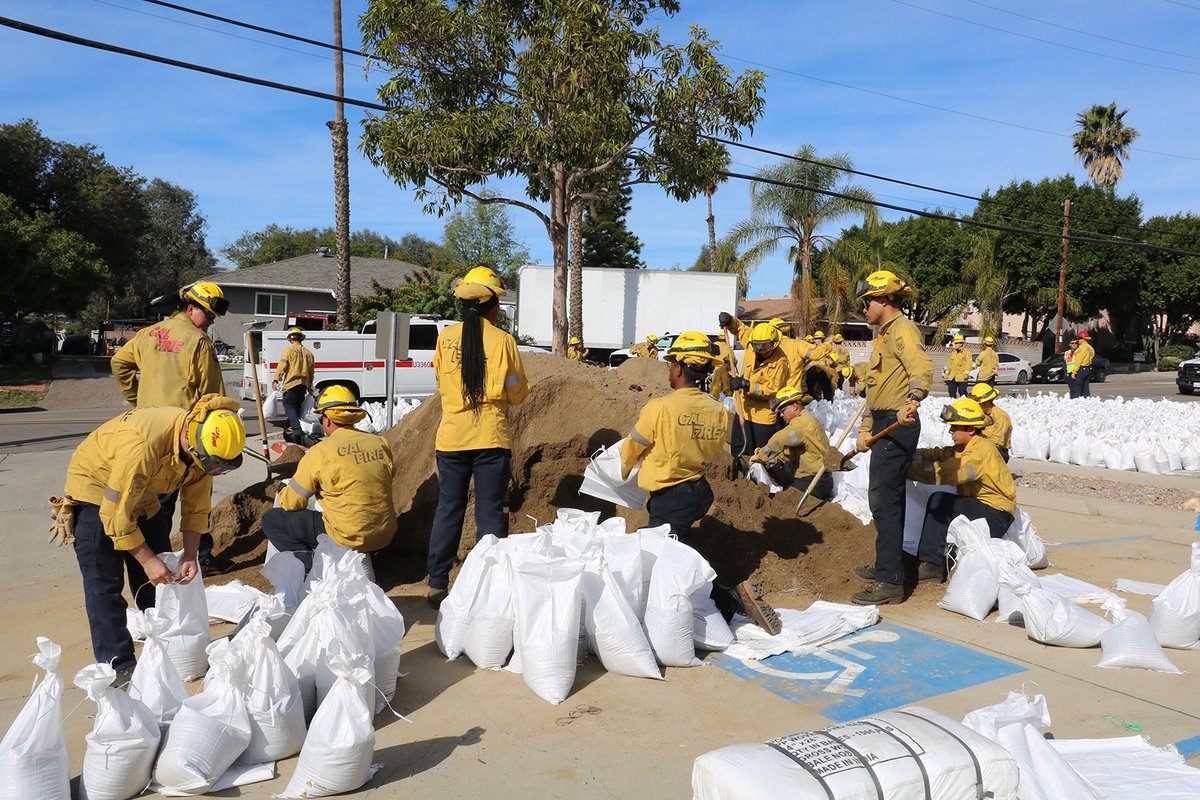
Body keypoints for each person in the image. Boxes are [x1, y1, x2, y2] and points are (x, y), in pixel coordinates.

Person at [60, 395, 244, 682]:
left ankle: (164, 646)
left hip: (142, 493)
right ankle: (118, 665)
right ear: (189, 437)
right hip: (97, 493)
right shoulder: (143, 444)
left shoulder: (202, 445)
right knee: (104, 583)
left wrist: (190, 555)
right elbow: (116, 515)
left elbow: (197, 507)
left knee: (162, 578)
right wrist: (146, 560)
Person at [618, 331, 779, 634]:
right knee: (674, 551)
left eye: (670, 366)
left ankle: (731, 597)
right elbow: (712, 447)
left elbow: (633, 446)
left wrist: (624, 470)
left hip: (670, 498)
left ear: (678, 369)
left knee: (667, 562)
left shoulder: (659, 408)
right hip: (698, 492)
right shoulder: (717, 410)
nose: (669, 371)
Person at [426, 267, 529, 608]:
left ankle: (437, 583)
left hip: (452, 437)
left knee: (449, 509)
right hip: (490, 437)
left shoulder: (445, 338)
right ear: (491, 307)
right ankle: (491, 585)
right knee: (489, 512)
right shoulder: (503, 341)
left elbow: (442, 380)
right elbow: (517, 393)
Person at [110, 281, 229, 573]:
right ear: (191, 308)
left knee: (153, 503)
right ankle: (192, 559)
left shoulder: (147, 334)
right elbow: (213, 399)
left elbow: (119, 363)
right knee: (195, 499)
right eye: (209, 315)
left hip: (145, 434)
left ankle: (152, 561)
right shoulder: (199, 343)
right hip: (184, 439)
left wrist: (133, 396)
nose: (211, 322)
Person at [850, 270, 933, 606]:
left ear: (884, 300)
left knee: (885, 501)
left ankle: (891, 582)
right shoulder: (882, 335)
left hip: (899, 421)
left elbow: (921, 366)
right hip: (884, 418)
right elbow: (875, 389)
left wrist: (913, 400)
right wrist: (865, 429)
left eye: (868, 302)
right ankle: (887, 566)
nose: (864, 308)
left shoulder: (902, 330)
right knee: (885, 501)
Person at [262, 385, 397, 573]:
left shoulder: (321, 452)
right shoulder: (380, 443)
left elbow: (292, 503)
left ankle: (313, 569)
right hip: (384, 533)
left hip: (347, 535)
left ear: (327, 420)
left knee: (271, 520)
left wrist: (284, 492)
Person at [905, 397, 1017, 579]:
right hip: (982, 505)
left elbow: (946, 473)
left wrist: (907, 469)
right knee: (942, 498)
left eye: (955, 427)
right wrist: (909, 455)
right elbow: (938, 454)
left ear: (971, 429)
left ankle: (933, 564)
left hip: (997, 515)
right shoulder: (966, 446)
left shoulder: (979, 453)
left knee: (940, 501)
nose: (951, 431)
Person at [716, 317, 789, 470]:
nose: (761, 350)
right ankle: (739, 480)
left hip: (763, 417)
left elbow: (772, 389)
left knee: (760, 457)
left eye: (765, 346)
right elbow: (741, 329)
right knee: (738, 449)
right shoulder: (752, 345)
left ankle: (759, 484)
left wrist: (746, 384)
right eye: (758, 346)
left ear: (774, 343)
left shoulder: (780, 362)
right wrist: (730, 320)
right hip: (743, 410)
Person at [749, 387, 834, 501]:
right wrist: (772, 461)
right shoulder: (804, 421)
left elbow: (778, 440)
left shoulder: (802, 423)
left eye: (783, 410)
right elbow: (789, 452)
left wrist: (760, 455)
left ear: (795, 406)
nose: (781, 415)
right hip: (818, 479)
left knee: (783, 501)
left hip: (816, 482)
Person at [273, 327, 315, 445]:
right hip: (302, 385)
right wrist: (309, 386)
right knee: (295, 409)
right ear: (301, 338)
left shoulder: (288, 350)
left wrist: (276, 379)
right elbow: (311, 372)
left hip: (291, 384)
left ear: (291, 338)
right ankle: (288, 433)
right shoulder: (309, 354)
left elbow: (282, 366)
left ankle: (297, 432)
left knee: (289, 407)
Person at [970, 382, 1012, 463]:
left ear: (986, 402)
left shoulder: (1001, 416)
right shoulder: (979, 414)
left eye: (978, 404)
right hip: (981, 446)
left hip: (998, 451)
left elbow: (997, 442)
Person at [805, 331, 835, 401]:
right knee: (810, 388)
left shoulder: (826, 348)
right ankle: (813, 401)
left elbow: (832, 358)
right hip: (811, 370)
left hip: (821, 370)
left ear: (822, 339)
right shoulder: (812, 348)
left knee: (826, 389)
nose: (816, 340)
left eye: (818, 339)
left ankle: (827, 403)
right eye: (815, 339)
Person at [1074, 330, 1095, 397]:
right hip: (1088, 368)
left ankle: (1076, 399)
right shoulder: (1090, 347)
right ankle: (1086, 399)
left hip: (1082, 368)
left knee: (1077, 384)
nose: (1078, 340)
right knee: (1085, 385)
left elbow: (1079, 360)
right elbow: (1092, 356)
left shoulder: (1082, 348)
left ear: (1083, 339)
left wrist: (1074, 372)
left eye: (1079, 338)